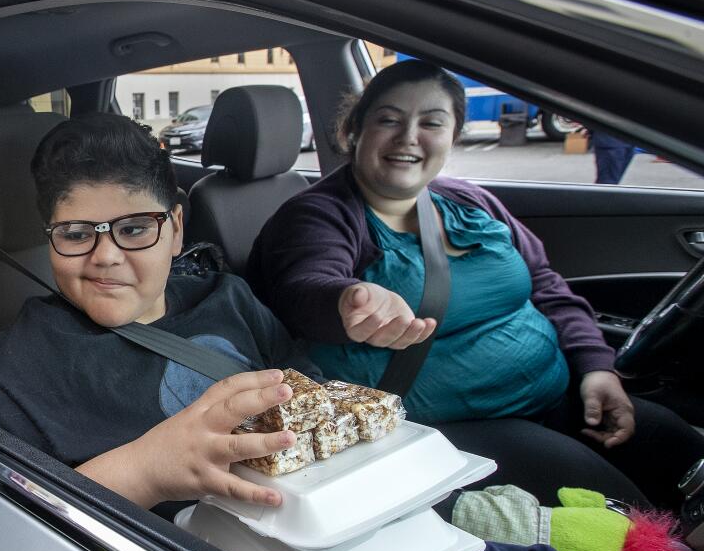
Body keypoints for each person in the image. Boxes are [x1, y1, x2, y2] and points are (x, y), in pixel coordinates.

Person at [0, 113, 704, 551]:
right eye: (76, 235)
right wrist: (148, 469)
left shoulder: (226, 299)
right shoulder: (7, 377)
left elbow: (343, 450)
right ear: (49, 239)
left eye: (133, 227)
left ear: (176, 224)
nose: (106, 256)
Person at [247, 59, 703, 510]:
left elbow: (544, 284)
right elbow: (303, 287)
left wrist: (595, 367)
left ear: (453, 136)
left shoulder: (468, 199)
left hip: (559, 397)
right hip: (456, 428)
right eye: (389, 119)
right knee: (625, 511)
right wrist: (348, 301)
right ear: (355, 130)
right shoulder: (319, 214)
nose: (408, 137)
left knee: (677, 446)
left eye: (432, 122)